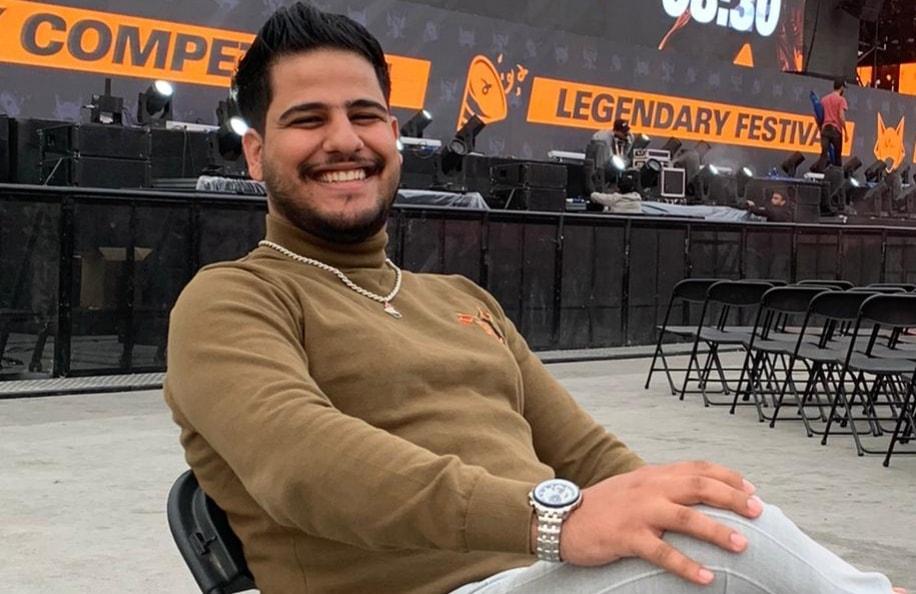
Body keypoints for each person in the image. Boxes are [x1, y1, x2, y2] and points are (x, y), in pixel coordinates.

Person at [164, 4, 907, 594]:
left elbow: (587, 454)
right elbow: (304, 465)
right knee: (720, 551)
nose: (343, 140)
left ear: (392, 134)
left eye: (363, 116)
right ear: (256, 152)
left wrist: (660, 506)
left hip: (546, 576)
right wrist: (556, 522)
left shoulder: (460, 298)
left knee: (714, 514)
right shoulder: (231, 302)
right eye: (307, 119)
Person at [816, 78, 848, 170]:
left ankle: (820, 174)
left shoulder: (824, 99)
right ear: (841, 87)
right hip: (836, 130)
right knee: (837, 156)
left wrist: (820, 127)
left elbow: (817, 116)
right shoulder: (841, 100)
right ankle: (837, 175)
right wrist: (846, 131)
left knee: (824, 154)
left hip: (825, 129)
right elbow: (841, 116)